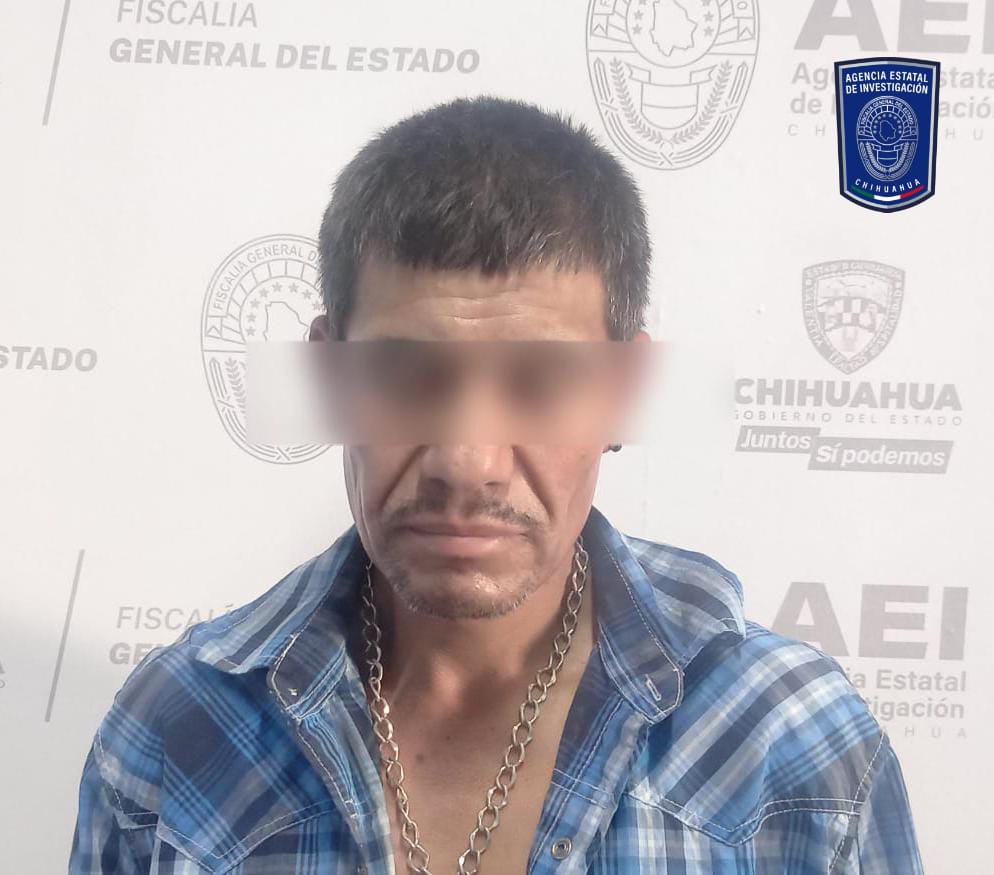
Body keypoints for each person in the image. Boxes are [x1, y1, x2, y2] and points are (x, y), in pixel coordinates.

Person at [69, 95, 924, 874]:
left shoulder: (794, 745)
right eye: (406, 376)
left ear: (623, 393)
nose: (466, 459)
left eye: (539, 382)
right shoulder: (175, 732)